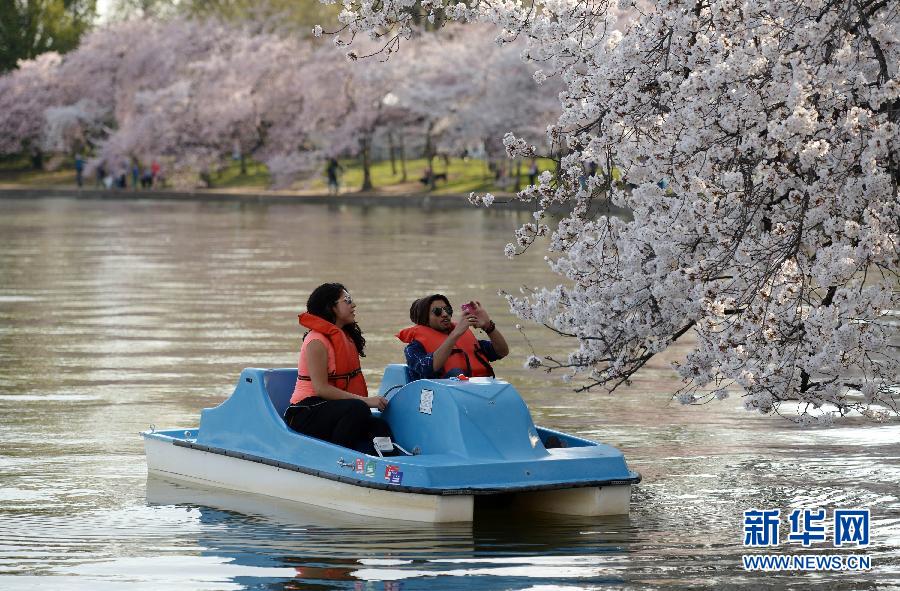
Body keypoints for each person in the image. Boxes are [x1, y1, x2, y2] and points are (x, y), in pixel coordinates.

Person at [283, 283, 393, 455]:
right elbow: (321, 389)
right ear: (331, 307)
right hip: (303, 413)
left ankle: (389, 468)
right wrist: (366, 400)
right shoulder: (316, 342)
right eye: (347, 300)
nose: (353, 305)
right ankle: (338, 461)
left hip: (333, 408)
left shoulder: (346, 338)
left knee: (379, 426)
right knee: (358, 409)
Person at [396, 294, 509, 381]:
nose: (445, 314)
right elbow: (427, 368)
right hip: (438, 401)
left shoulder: (466, 340)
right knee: (456, 373)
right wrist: (455, 334)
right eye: (437, 311)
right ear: (424, 319)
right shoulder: (413, 348)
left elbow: (502, 351)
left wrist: (488, 326)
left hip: (479, 395)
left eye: (448, 310)